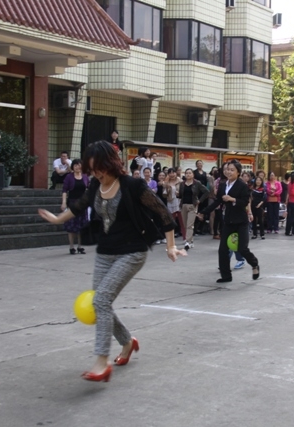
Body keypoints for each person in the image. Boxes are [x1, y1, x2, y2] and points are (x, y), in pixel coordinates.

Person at [38, 140, 185, 382]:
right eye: (92, 170)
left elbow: (162, 213)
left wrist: (171, 246)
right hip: (105, 252)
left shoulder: (132, 185)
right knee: (101, 303)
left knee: (101, 300)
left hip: (132, 252)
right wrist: (56, 219)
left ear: (110, 164)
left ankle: (101, 361)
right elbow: (78, 207)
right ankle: (127, 342)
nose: (97, 174)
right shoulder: (96, 185)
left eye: (100, 168)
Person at [198, 160, 260, 283]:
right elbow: (217, 201)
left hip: (241, 221)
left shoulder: (242, 185)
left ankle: (254, 264)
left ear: (238, 172)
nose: (229, 172)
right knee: (223, 250)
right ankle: (226, 276)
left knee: (242, 249)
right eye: (227, 169)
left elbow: (245, 202)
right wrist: (203, 212)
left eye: (232, 170)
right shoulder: (223, 185)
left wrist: (232, 199)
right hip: (228, 221)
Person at [61, 159, 90, 254]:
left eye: (79, 165)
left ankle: (80, 246)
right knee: (71, 225)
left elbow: (89, 188)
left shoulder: (85, 176)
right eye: (76, 165)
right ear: (72, 167)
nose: (78, 167)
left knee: (82, 225)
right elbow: (64, 190)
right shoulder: (69, 177)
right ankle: (71, 246)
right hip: (72, 203)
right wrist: (63, 202)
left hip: (82, 204)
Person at [178, 168, 209, 250]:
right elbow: (180, 195)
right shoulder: (182, 184)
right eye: (187, 173)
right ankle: (191, 241)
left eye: (190, 173)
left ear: (193, 174)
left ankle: (187, 242)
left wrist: (200, 200)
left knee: (189, 225)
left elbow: (206, 191)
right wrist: (177, 194)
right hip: (183, 205)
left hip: (193, 205)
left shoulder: (197, 183)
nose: (188, 174)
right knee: (185, 224)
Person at [163, 167, 184, 239]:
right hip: (170, 202)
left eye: (173, 173)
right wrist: (167, 190)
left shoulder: (181, 181)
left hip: (179, 202)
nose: (172, 174)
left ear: (176, 173)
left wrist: (179, 193)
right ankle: (170, 238)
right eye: (170, 173)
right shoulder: (166, 183)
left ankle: (185, 238)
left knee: (182, 221)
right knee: (171, 221)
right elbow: (164, 195)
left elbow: (184, 192)